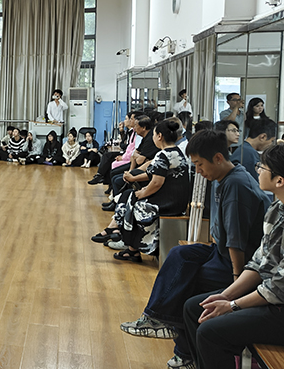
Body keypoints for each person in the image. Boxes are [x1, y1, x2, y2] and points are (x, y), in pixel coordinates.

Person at [119, 129, 269, 369]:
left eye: (199, 164)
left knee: (189, 283)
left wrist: (235, 281)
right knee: (180, 254)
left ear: (218, 158)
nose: (198, 171)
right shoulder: (225, 177)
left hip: (239, 262)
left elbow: (236, 241)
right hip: (220, 252)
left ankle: (185, 353)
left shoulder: (236, 185)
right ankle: (156, 318)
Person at [182, 144, 284, 369]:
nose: (258, 171)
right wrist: (226, 295)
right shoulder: (277, 208)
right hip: (271, 296)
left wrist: (232, 305)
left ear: (279, 180)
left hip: (279, 307)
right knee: (194, 307)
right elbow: (259, 262)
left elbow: (278, 288)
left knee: (210, 332)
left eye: (262, 167)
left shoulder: (237, 183)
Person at [112, 120, 191, 262]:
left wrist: (142, 193)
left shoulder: (164, 154)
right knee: (130, 196)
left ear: (159, 136)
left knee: (134, 202)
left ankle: (124, 238)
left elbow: (156, 182)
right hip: (176, 200)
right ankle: (120, 233)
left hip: (169, 203)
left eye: (154, 135)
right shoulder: (176, 152)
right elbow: (154, 174)